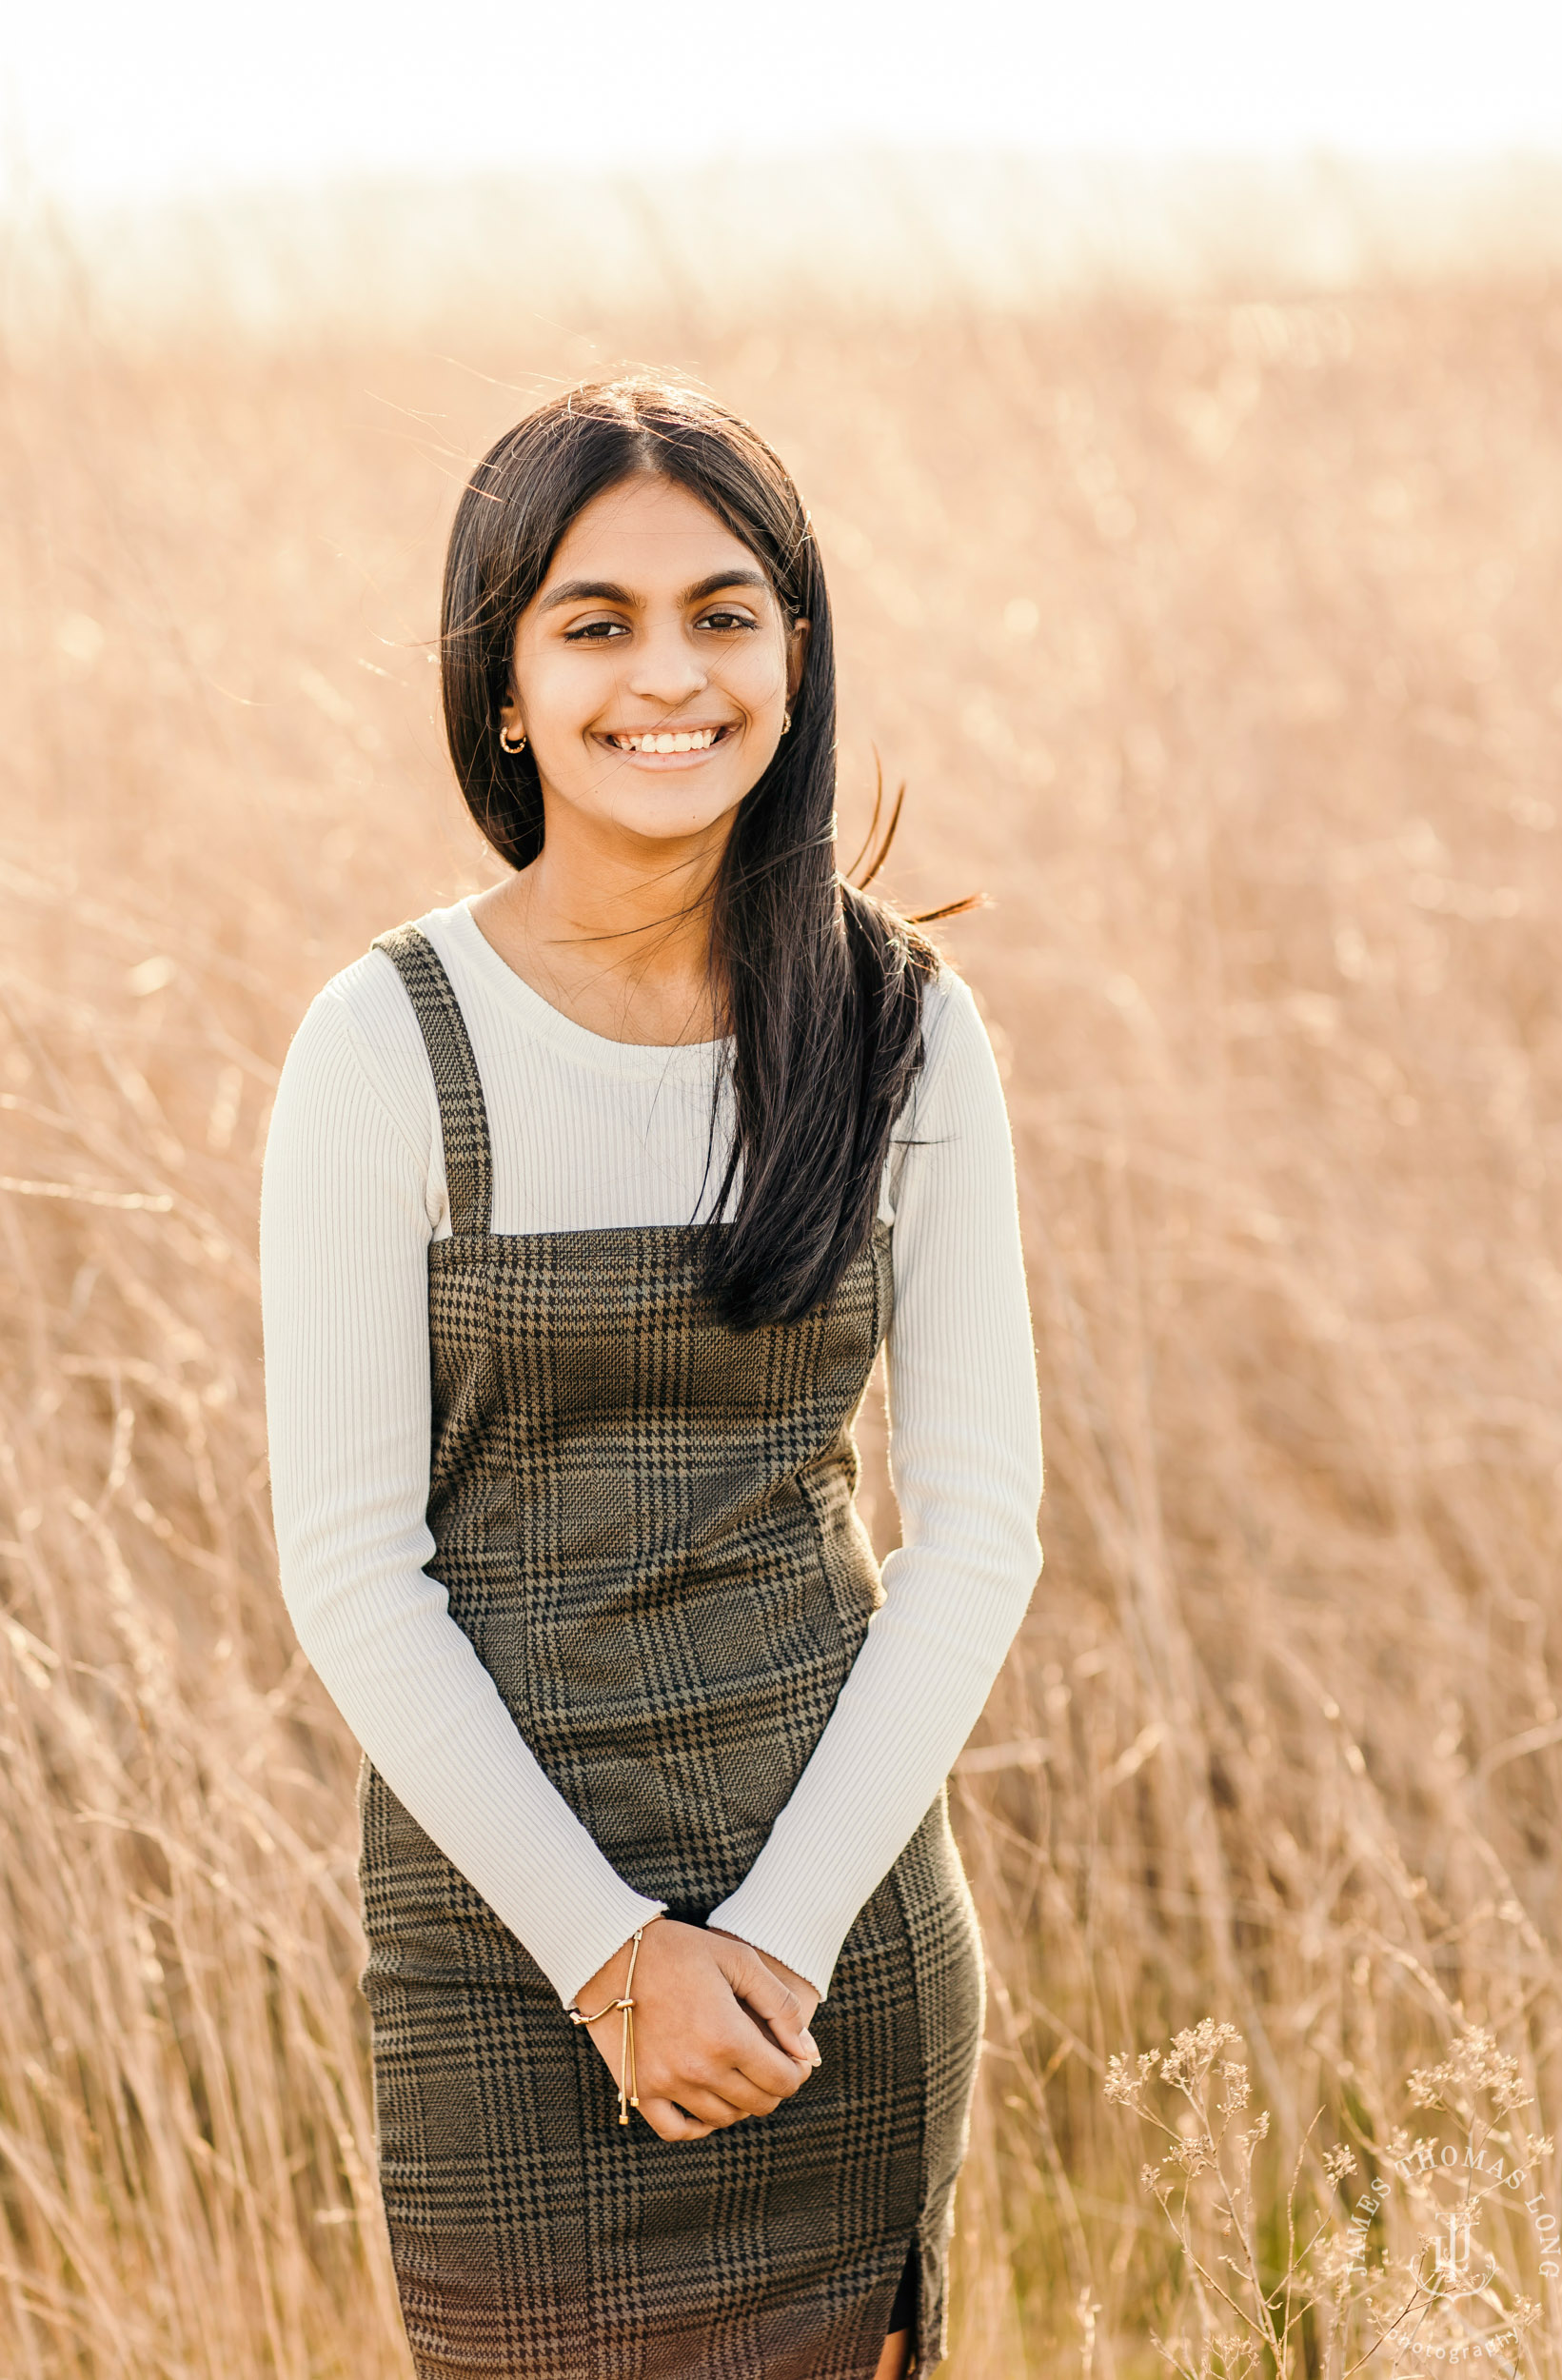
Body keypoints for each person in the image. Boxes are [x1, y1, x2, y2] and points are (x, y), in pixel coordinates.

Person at [261, 377, 1042, 2380]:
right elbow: (351, 1564)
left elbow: (977, 1534)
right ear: (505, 685)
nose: (669, 675)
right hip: (512, 1965)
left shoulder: (902, 1027)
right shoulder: (384, 1040)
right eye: (594, 622)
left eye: (725, 611)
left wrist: (766, 1942)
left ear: (797, 654)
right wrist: (615, 1959)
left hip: (835, 1950)